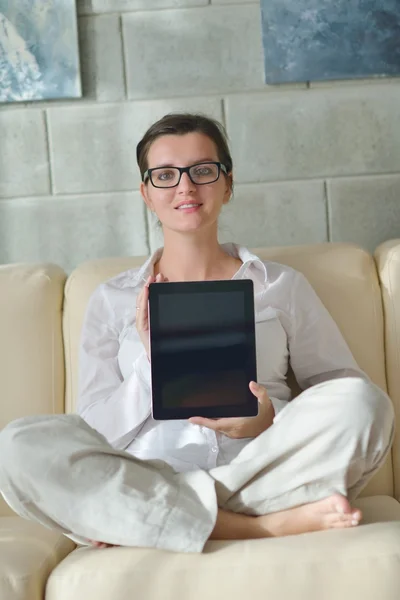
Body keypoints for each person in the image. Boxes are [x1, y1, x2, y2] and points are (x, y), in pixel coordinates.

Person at [0, 113, 395, 554]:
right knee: (18, 445)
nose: (185, 188)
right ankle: (257, 528)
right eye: (165, 176)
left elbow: (342, 391)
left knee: (365, 402)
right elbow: (94, 432)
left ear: (227, 184)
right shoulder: (112, 300)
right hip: (151, 473)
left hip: (257, 471)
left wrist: (269, 421)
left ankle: (158, 520)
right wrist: (153, 365)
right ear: (146, 193)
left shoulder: (280, 286)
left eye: (202, 171)